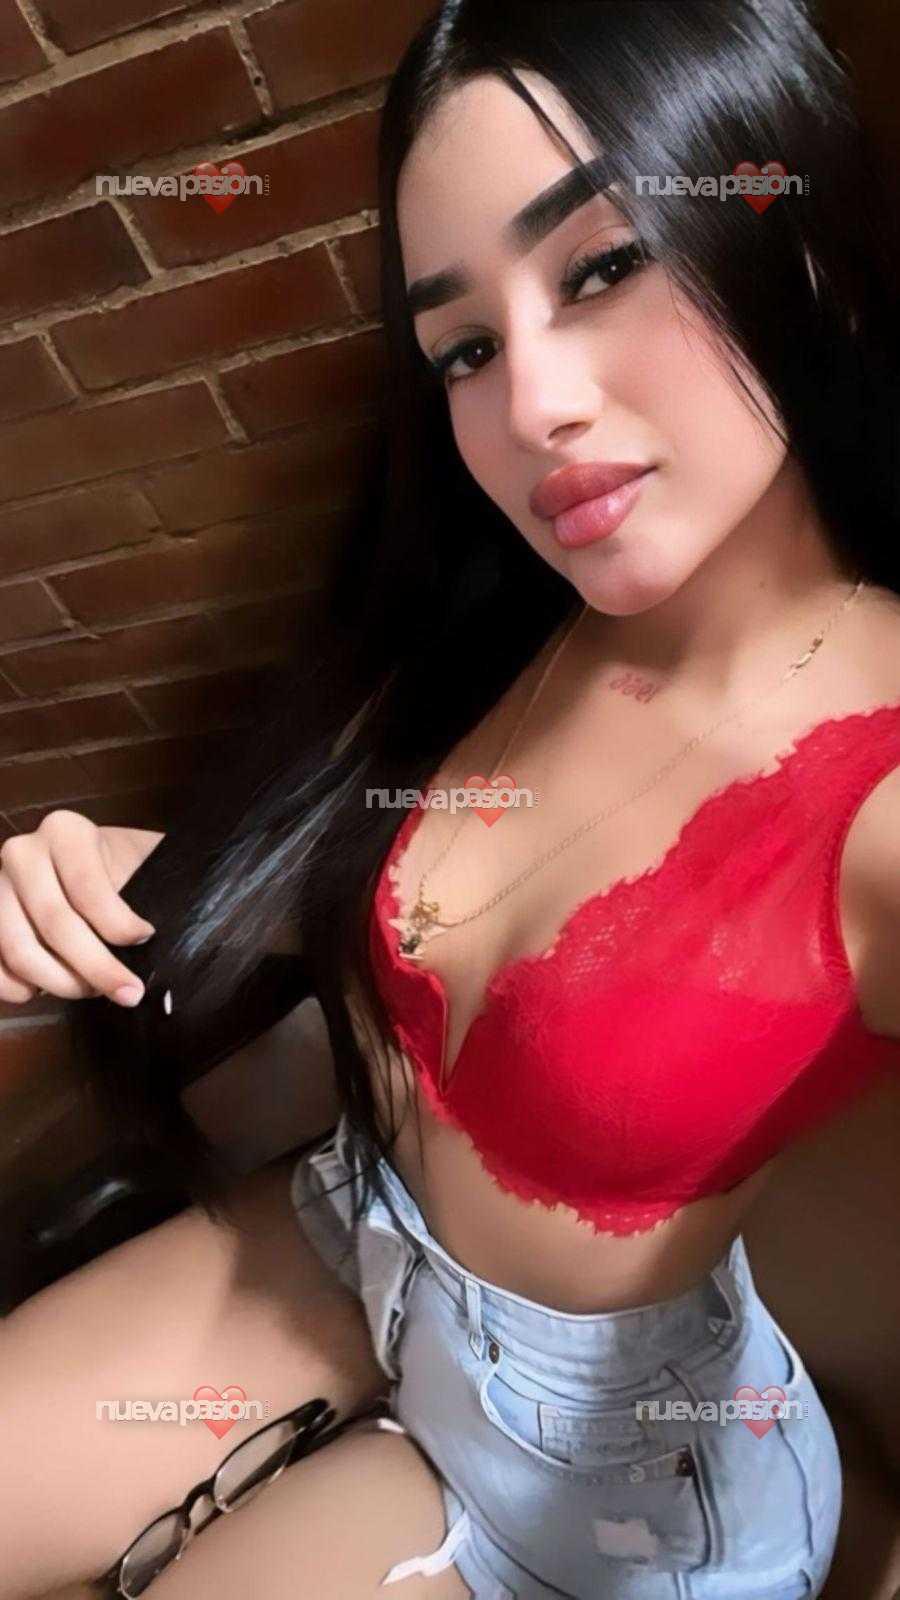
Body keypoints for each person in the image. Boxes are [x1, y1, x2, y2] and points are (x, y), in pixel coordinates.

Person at [1, 1, 899, 1596]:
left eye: (604, 266)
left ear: (802, 239)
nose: (533, 406)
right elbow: (408, 877)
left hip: (590, 1475)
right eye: (465, 348)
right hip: (351, 1231)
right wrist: (135, 881)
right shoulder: (509, 610)